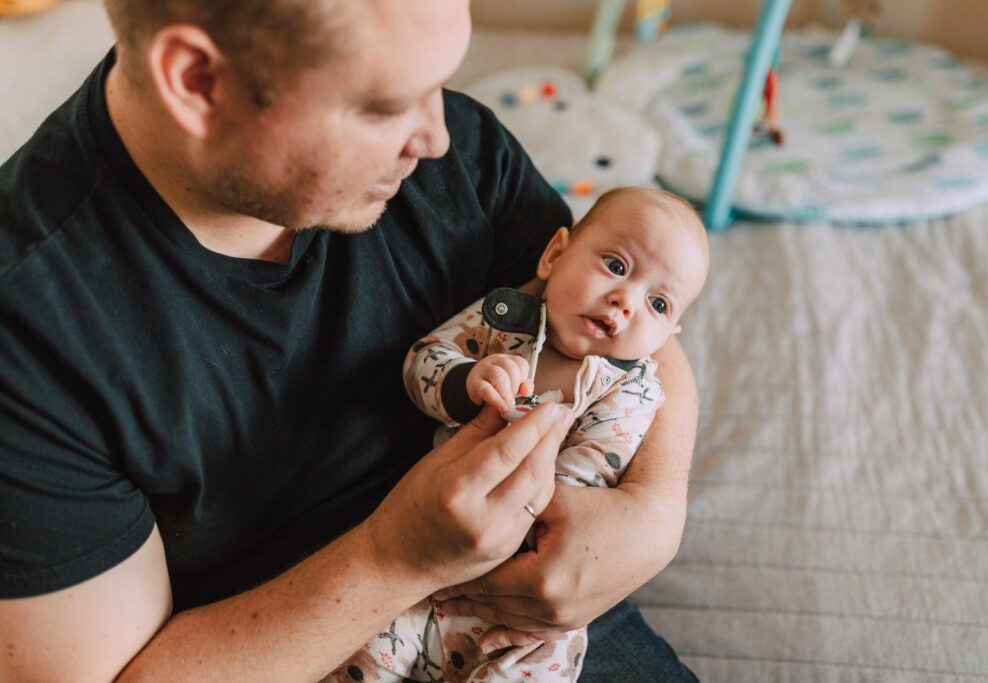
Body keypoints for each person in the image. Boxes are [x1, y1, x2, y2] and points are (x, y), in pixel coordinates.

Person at [0, 2, 701, 681]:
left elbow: (620, 318)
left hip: (519, 615)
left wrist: (654, 512)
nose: (437, 137)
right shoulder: (30, 333)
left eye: (438, 83)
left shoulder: (457, 151)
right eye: (385, 106)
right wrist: (397, 556)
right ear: (198, 81)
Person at [340, 188, 708, 681]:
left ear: (669, 335)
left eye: (658, 303)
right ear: (555, 254)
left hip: (524, 615)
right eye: (617, 266)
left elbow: (590, 473)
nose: (626, 301)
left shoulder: (631, 393)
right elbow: (422, 360)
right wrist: (467, 381)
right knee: (362, 659)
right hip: (425, 567)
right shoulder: (502, 321)